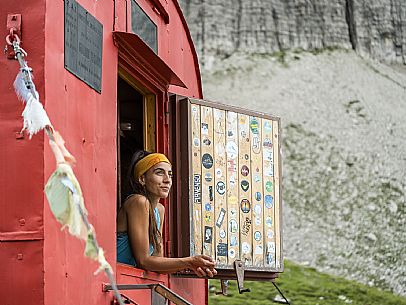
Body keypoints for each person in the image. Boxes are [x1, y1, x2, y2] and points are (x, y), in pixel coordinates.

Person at [117, 150, 217, 277]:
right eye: (159, 173)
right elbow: (144, 261)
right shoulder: (138, 201)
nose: (167, 180)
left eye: (170, 174)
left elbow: (158, 262)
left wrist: (192, 265)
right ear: (142, 179)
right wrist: (189, 261)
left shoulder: (159, 209)